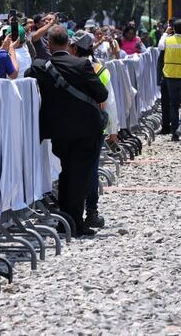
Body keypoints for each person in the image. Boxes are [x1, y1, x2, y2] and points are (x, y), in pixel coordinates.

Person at [25, 25, 109, 237]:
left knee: (66, 172)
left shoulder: (40, 67)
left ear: (49, 44)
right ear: (68, 44)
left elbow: (27, 75)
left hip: (59, 131)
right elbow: (101, 94)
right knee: (78, 175)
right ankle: (75, 223)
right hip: (85, 129)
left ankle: (65, 221)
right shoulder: (82, 64)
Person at [70, 30, 119, 230]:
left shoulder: (67, 67)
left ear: (74, 48)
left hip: (71, 124)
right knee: (91, 170)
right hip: (94, 125)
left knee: (71, 168)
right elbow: (110, 102)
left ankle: (71, 211)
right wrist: (113, 130)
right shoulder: (100, 69)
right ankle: (91, 211)